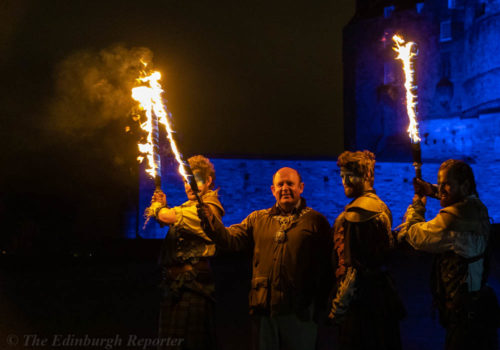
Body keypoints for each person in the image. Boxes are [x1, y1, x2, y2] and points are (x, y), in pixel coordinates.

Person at [197, 167, 331, 350]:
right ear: (273, 190)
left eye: (290, 184)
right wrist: (209, 220)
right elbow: (229, 240)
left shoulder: (316, 222)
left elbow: (327, 266)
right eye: (280, 184)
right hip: (264, 311)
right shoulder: (257, 219)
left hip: (300, 312)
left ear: (301, 187)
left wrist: (321, 306)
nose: (285, 188)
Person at [398, 159, 499, 350]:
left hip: (464, 317)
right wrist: (431, 189)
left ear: (465, 185)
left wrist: (418, 204)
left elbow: (414, 235)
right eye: (440, 182)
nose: (442, 188)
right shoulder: (477, 206)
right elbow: (452, 194)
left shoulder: (452, 219)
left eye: (447, 183)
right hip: (480, 307)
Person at [147, 155, 224, 350]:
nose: (189, 186)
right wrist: (162, 205)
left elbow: (167, 216)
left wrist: (158, 208)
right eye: (185, 181)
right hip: (177, 288)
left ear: (208, 181)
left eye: (194, 180)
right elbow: (167, 218)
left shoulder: (206, 208)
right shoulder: (189, 206)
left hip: (193, 287)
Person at [330, 150, 404, 350]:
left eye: (350, 175)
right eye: (342, 176)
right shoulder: (381, 207)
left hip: (362, 305)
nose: (344, 181)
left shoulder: (359, 214)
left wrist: (340, 304)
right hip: (380, 297)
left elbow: (356, 267)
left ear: (367, 176)